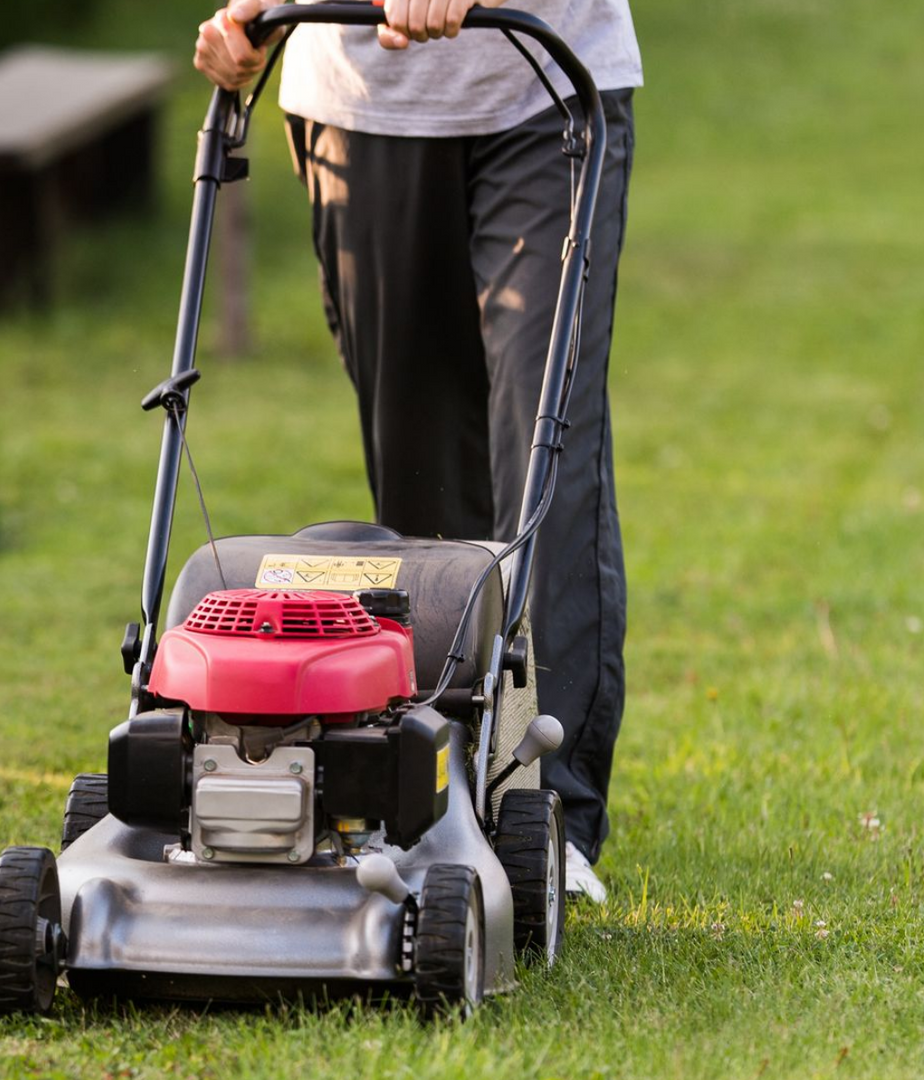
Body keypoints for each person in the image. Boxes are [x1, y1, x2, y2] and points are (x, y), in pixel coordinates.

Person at [194, 0, 639, 903]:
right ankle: (440, 795)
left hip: (539, 80)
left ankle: (552, 818)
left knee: (545, 436)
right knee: (420, 479)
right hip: (358, 106)